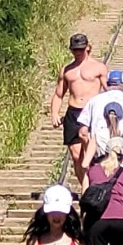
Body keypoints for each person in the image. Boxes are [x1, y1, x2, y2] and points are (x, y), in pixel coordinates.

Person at [50, 34, 107, 188]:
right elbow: (58, 94)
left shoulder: (98, 67)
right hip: (73, 113)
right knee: (76, 156)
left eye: (81, 49)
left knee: (93, 152)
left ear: (88, 47)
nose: (78, 52)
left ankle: (94, 183)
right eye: (75, 50)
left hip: (92, 112)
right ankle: (86, 187)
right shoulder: (67, 70)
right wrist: (55, 113)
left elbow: (109, 90)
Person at [79, 70, 123, 157]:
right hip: (122, 146)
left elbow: (83, 133)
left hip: (99, 147)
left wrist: (90, 151)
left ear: (107, 83)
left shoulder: (93, 101)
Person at [82, 99, 123, 179]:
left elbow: (85, 165)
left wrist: (93, 176)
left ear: (105, 117)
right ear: (121, 117)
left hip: (101, 179)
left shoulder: (98, 136)